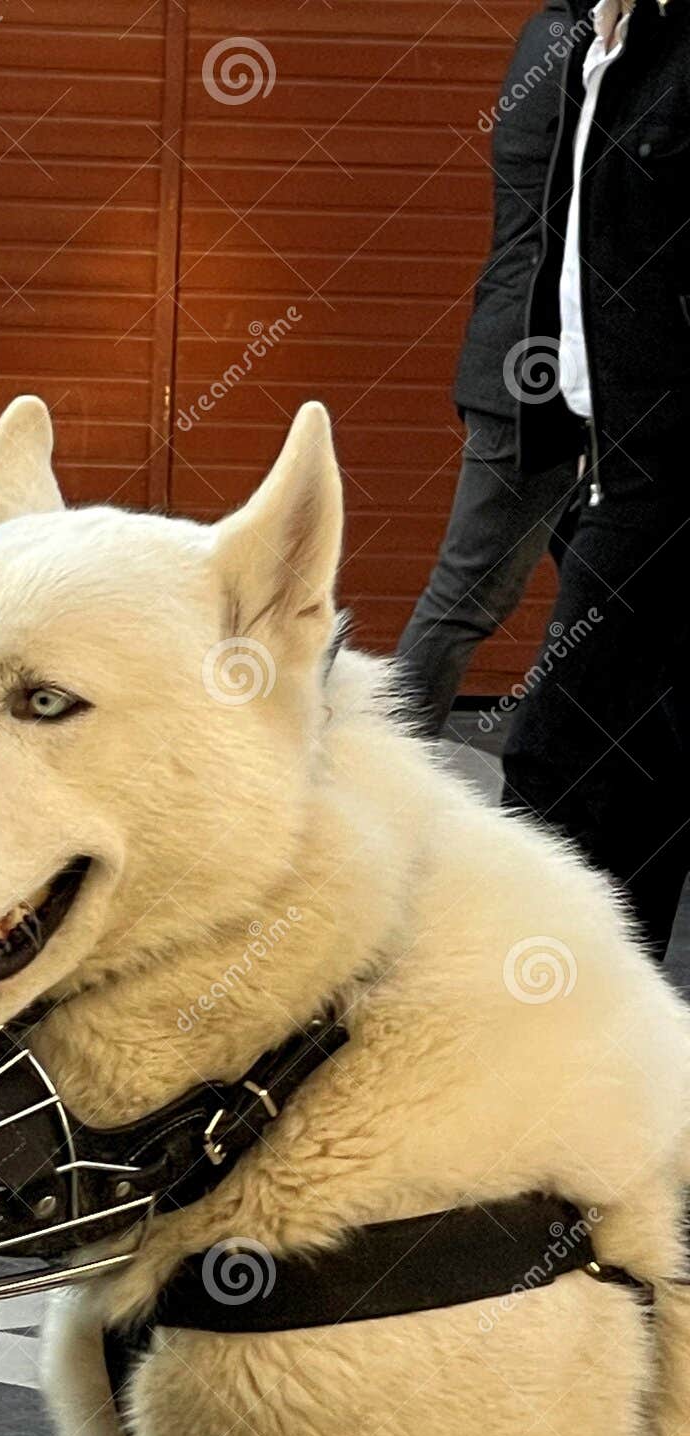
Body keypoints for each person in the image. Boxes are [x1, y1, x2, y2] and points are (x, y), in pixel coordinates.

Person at [502, 0, 690, 960]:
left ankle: (532, 1026)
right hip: (603, 456)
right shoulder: (589, 44)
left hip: (668, 476)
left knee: (557, 768)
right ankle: (632, 1053)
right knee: (647, 779)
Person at [396, 0, 585, 735]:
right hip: (535, 372)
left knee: (618, 593)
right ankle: (368, 773)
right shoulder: (580, 45)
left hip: (540, 365)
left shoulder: (554, 30)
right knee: (468, 596)